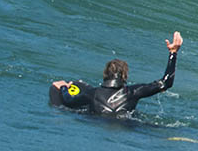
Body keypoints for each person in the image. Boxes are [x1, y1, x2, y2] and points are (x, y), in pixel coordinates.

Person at [50, 32, 183, 116]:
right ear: (125, 76)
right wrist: (173, 53)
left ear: (105, 74)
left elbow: (68, 102)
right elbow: (166, 83)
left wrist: (63, 87)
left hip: (98, 123)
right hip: (128, 125)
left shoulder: (92, 94)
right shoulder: (133, 92)